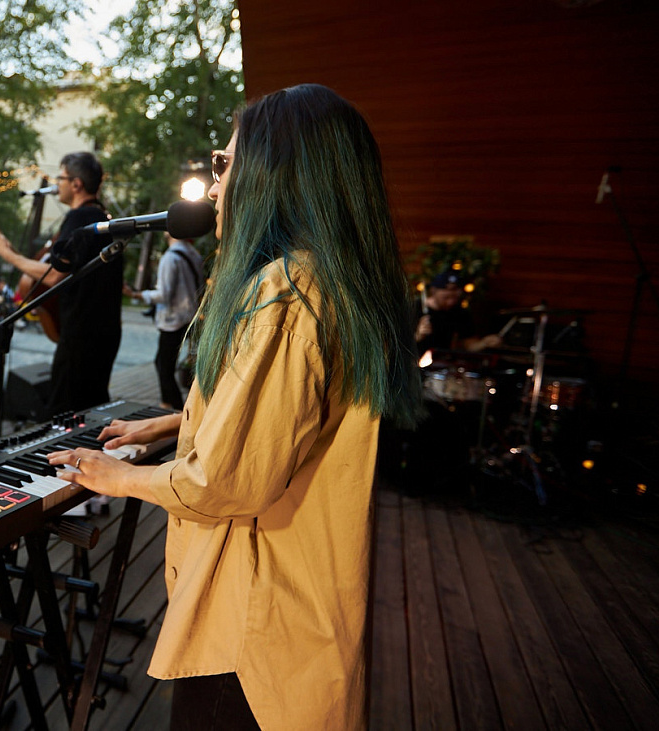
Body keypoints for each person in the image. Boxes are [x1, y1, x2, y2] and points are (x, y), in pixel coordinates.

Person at [46, 85, 423, 730]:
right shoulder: (321, 279)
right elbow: (291, 418)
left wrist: (114, 476)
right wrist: (172, 421)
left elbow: (226, 481)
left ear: (278, 173)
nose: (213, 186)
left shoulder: (285, 292)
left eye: (224, 164)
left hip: (255, 630)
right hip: (292, 614)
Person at [0, 151, 122, 415]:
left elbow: (54, 275)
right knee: (89, 409)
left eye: (60, 177)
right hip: (104, 334)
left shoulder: (80, 218)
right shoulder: (103, 218)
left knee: (64, 413)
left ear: (76, 184)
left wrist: (7, 255)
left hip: (81, 336)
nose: (56, 183)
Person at [130, 235, 205, 410]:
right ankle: (168, 404)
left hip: (174, 320)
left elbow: (164, 294)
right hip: (189, 317)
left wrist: (138, 295)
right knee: (164, 364)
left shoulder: (170, 257)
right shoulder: (193, 253)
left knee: (164, 367)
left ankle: (175, 408)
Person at [415, 271, 502, 353]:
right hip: (413, 361)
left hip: (442, 362)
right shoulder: (415, 308)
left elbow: (469, 344)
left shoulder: (460, 312)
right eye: (446, 295)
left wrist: (485, 343)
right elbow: (403, 344)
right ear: (433, 291)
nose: (451, 301)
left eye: (455, 295)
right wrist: (418, 336)